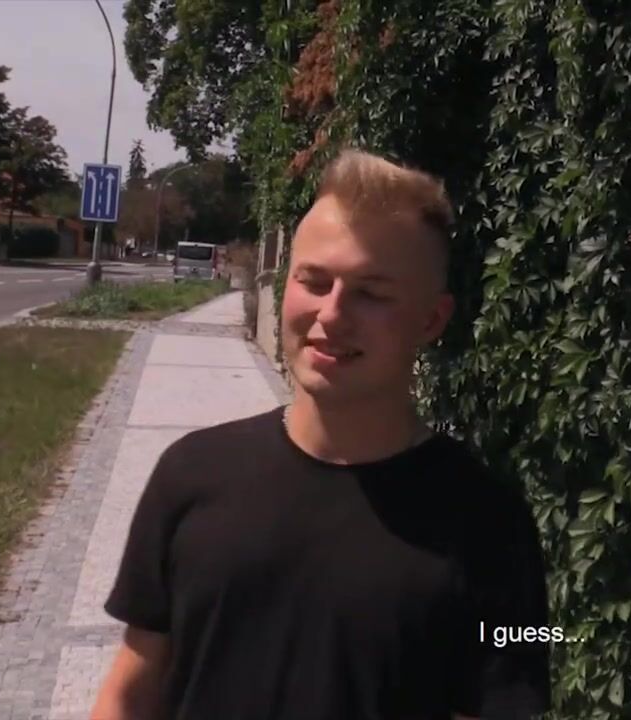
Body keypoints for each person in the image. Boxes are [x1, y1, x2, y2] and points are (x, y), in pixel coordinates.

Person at [91, 149, 551, 719]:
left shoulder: (492, 525)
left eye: (371, 293)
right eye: (313, 281)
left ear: (431, 319)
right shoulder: (189, 474)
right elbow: (129, 692)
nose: (331, 314)